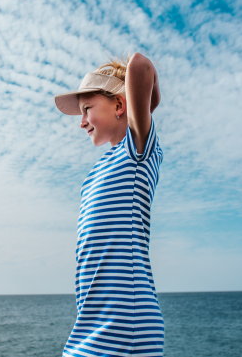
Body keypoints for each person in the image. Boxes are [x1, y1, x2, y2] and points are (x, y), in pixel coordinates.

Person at [54, 52, 164, 357]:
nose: (82, 122)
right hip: (93, 320)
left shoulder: (136, 150)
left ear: (118, 105)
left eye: (87, 109)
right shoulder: (96, 172)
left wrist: (140, 108)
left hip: (123, 320)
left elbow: (140, 65)